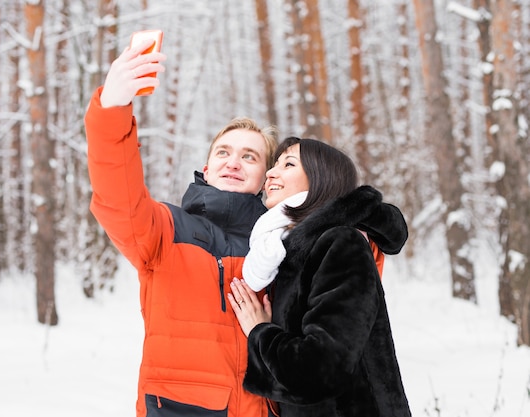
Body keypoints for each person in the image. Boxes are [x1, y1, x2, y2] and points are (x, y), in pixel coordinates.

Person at [84, 38, 280, 417]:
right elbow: (117, 197)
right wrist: (112, 108)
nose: (233, 162)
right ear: (206, 169)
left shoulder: (280, 244)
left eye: (249, 156)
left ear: (265, 177)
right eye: (223, 152)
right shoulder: (165, 230)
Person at [228, 136, 412, 417]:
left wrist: (260, 332)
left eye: (288, 164)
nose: (270, 172)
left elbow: (321, 371)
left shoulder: (340, 243)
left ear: (320, 180)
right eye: (274, 164)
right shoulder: (288, 253)